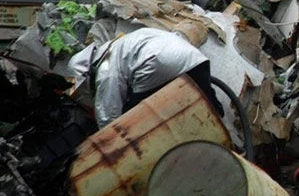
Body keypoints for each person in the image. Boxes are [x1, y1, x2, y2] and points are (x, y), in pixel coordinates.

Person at [68, 22, 223, 127]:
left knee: (135, 117)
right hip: (193, 57)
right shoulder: (121, 43)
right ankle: (223, 129)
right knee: (210, 104)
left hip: (157, 64)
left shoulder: (106, 68)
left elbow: (109, 117)